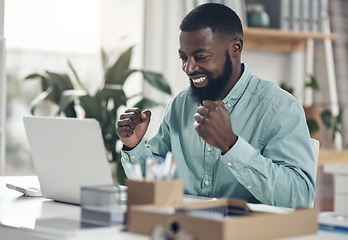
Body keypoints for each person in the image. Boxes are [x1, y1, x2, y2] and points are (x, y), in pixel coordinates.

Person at [116, 3, 316, 208]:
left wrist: (231, 145)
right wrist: (134, 145)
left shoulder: (280, 108)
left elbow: (300, 196)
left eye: (201, 57)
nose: (188, 68)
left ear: (235, 48)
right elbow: (158, 178)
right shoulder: (180, 105)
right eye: (183, 57)